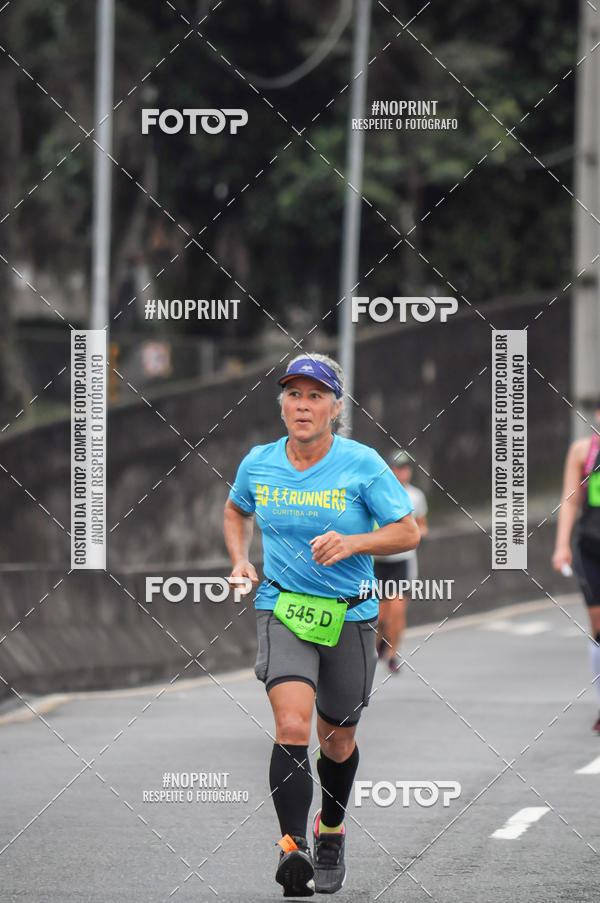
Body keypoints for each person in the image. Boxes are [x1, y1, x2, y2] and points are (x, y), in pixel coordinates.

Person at [224, 353, 420, 896]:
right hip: (283, 606)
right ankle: (293, 849)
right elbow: (237, 510)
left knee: (336, 741)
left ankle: (330, 828)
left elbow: (407, 533)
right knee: (291, 726)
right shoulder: (259, 462)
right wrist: (241, 560)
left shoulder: (364, 464)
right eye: (294, 394)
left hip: (351, 616)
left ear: (336, 406)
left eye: (316, 396)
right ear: (281, 403)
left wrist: (354, 542)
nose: (303, 405)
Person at [552, 399, 600, 733]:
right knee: (598, 629)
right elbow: (570, 500)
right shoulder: (582, 451)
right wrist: (561, 546)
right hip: (590, 547)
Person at [374, 450, 428, 673]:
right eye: (397, 468)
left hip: (401, 561)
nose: (401, 472)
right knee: (379, 613)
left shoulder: (415, 497)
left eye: (405, 468)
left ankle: (392, 654)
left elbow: (423, 525)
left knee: (396, 609)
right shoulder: (377, 493)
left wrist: (413, 535)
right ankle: (377, 646)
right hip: (377, 560)